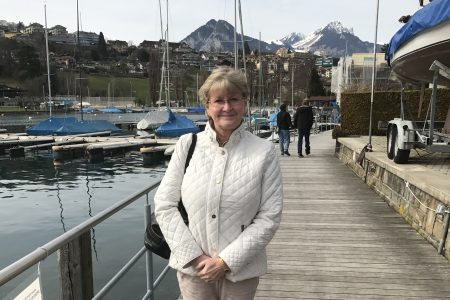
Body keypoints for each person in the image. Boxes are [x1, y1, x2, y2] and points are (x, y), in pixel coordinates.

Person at [154, 66, 283, 300]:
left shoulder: (264, 151)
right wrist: (196, 258)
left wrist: (225, 262)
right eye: (219, 100)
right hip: (195, 271)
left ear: (244, 102)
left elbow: (269, 216)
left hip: (241, 271)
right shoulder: (187, 145)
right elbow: (165, 204)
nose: (227, 107)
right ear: (207, 106)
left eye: (234, 99)